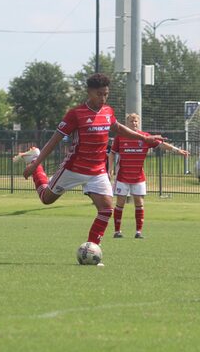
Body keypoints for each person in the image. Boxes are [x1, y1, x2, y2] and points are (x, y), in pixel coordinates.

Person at [13, 73, 169, 257]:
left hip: (97, 171)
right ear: (89, 92)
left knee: (106, 210)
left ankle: (91, 250)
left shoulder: (107, 111)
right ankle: (33, 158)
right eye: (99, 94)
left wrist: (145, 138)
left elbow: (118, 128)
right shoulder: (76, 114)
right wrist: (36, 164)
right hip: (73, 168)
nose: (103, 98)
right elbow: (54, 141)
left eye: (106, 94)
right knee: (46, 199)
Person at [108, 113, 188, 239]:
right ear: (126, 123)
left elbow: (161, 144)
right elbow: (112, 153)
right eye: (131, 121)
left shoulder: (145, 137)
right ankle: (117, 231)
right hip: (122, 176)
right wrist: (110, 169)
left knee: (139, 203)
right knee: (120, 203)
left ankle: (138, 232)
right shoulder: (120, 137)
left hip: (138, 176)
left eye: (136, 121)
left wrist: (177, 150)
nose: (134, 123)